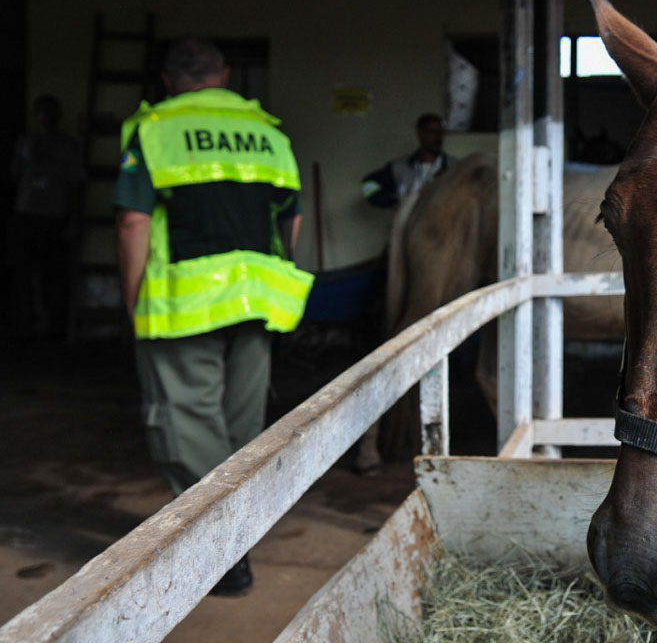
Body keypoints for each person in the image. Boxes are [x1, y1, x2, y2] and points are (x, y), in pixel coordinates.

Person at [113, 36, 312, 597]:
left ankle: (223, 554)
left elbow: (133, 223)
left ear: (168, 80)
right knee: (241, 428)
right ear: (223, 75)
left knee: (187, 424)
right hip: (257, 301)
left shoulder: (153, 128)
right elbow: (290, 218)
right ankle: (238, 536)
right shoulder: (268, 130)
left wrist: (133, 301)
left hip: (183, 305)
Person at [7, 94, 85, 342]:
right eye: (43, 112)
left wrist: (73, 220)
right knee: (23, 273)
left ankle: (54, 328)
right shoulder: (25, 142)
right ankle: (25, 326)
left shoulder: (67, 146)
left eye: (52, 112)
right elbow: (14, 178)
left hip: (54, 217)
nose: (47, 118)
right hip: (26, 214)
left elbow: (76, 185)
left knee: (54, 275)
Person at [360, 113, 456, 208]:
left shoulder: (455, 167)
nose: (438, 137)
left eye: (441, 132)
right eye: (432, 132)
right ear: (420, 133)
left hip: (443, 221)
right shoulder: (399, 167)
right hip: (407, 222)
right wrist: (393, 201)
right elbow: (367, 186)